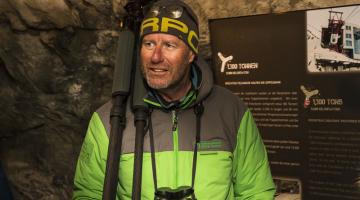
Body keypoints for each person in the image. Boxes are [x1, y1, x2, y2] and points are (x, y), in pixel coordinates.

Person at [73, 0, 275, 199]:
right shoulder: (108, 120)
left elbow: (256, 192)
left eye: (170, 45)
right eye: (149, 43)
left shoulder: (231, 111)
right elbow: (89, 194)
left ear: (190, 54)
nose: (155, 57)